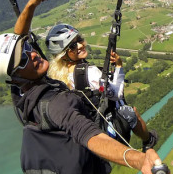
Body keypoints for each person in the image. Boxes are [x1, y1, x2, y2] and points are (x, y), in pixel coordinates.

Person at [0, 0, 166, 174]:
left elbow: (19, 38)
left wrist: (31, 5)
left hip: (58, 148)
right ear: (16, 76)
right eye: (24, 60)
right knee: (129, 112)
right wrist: (140, 160)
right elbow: (89, 135)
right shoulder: (56, 103)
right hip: (92, 139)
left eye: (28, 48)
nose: (33, 54)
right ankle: (148, 140)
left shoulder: (20, 92)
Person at [45, 23, 157, 151]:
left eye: (79, 39)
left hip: (84, 130)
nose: (80, 45)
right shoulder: (90, 72)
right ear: (64, 54)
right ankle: (149, 141)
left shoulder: (55, 77)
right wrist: (119, 66)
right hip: (104, 129)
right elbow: (117, 94)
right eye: (72, 46)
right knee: (131, 112)